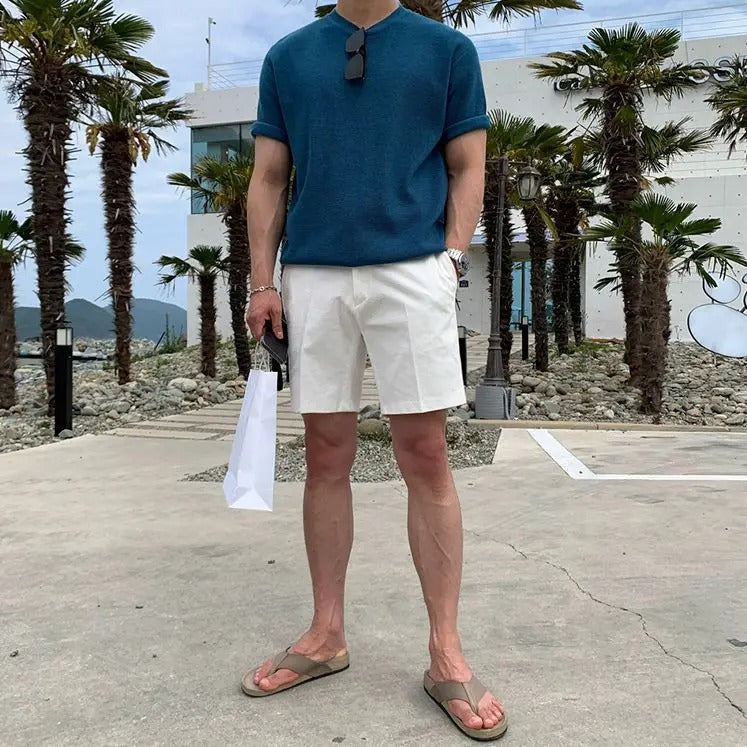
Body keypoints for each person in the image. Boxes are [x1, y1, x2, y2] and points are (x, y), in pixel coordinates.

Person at [243, 0, 506, 740]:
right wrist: (262, 282)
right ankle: (326, 633)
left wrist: (449, 258)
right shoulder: (288, 57)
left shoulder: (445, 51)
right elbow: (269, 176)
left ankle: (445, 652)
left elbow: (467, 163)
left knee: (425, 454)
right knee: (325, 453)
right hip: (312, 273)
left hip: (412, 269)